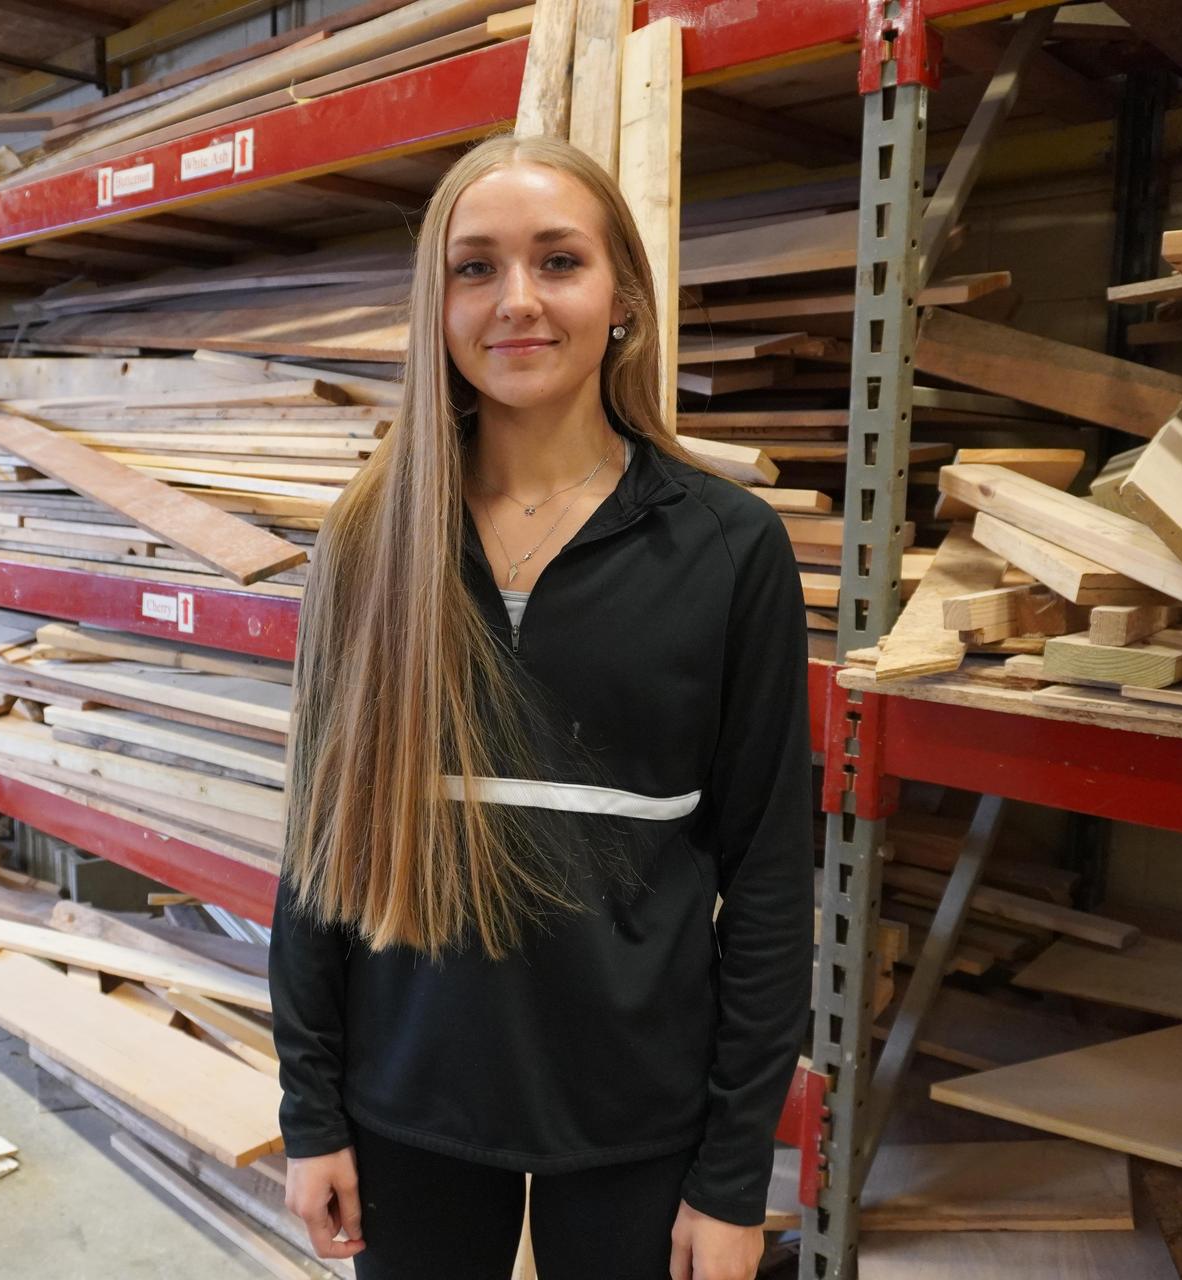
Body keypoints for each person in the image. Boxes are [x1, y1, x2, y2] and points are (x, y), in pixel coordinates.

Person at [269, 132, 814, 1280]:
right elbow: (318, 851)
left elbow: (767, 875)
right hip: (407, 1105)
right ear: (438, 302)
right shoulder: (372, 540)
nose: (517, 300)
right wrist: (311, 1110)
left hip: (638, 1116)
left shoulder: (727, 547)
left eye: (558, 260)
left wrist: (732, 1174)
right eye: (476, 267)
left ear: (621, 296)